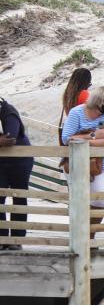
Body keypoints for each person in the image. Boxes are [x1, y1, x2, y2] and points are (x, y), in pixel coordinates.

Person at [60, 87, 104, 237]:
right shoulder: (76, 112)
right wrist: (94, 136)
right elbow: (66, 138)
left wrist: (84, 140)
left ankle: (89, 235)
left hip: (99, 164)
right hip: (75, 164)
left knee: (100, 200)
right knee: (78, 200)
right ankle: (79, 236)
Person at [0, 97, 33, 250]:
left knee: (19, 197)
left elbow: (10, 138)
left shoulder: (8, 111)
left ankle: (16, 239)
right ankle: (2, 239)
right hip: (2, 162)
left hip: (20, 160)